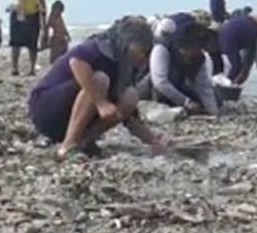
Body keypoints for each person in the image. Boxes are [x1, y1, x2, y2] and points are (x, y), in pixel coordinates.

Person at [29, 16, 169, 160]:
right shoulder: (98, 47)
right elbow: (76, 63)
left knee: (130, 95)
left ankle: (84, 141)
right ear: (128, 42)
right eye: (142, 50)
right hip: (46, 108)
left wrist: (153, 141)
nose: (143, 57)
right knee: (100, 79)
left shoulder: (125, 67)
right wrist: (101, 103)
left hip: (72, 119)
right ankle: (68, 144)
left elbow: (130, 116)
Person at [136, 15, 220, 116]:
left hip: (177, 86)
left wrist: (213, 111)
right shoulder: (162, 49)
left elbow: (203, 86)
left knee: (215, 99)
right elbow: (160, 82)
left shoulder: (199, 58)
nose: (195, 52)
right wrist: (186, 102)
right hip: (153, 89)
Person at [219, 12, 257, 97]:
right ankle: (232, 90)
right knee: (244, 70)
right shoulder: (223, 38)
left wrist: (226, 83)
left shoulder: (226, 43)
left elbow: (236, 66)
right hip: (249, 35)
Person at [9, 0, 48, 76]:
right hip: (19, 15)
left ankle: (32, 68)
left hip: (33, 16)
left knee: (32, 44)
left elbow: (43, 4)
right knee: (16, 43)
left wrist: (44, 21)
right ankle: (14, 67)